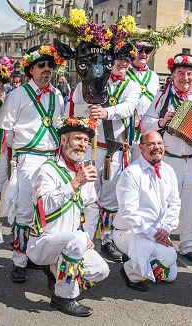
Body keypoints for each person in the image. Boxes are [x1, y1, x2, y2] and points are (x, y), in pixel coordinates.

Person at [0, 45, 66, 282]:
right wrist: (10, 164)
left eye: (50, 65)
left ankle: (37, 254)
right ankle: (19, 261)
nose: (47, 69)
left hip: (52, 159)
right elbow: (5, 131)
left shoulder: (57, 95)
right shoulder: (17, 95)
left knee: (47, 209)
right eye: (42, 65)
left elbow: (59, 125)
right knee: (24, 210)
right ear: (31, 68)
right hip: (28, 158)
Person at [27, 116, 109, 317]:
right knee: (76, 239)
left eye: (85, 141)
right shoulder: (48, 170)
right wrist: (74, 184)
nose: (82, 145)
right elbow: (43, 207)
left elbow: (91, 206)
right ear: (63, 140)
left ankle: (55, 270)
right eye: (77, 139)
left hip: (72, 242)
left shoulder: (84, 171)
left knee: (101, 270)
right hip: (44, 241)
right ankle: (63, 297)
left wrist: (88, 235)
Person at [143, 53, 192, 263]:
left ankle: (188, 245)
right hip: (170, 159)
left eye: (189, 74)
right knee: (165, 204)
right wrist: (161, 122)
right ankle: (160, 243)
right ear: (173, 75)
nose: (185, 78)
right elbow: (145, 123)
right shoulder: (162, 96)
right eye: (180, 73)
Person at [70, 42, 141, 263]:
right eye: (117, 59)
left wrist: (106, 111)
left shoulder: (131, 85)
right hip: (90, 147)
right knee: (88, 196)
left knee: (111, 198)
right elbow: (75, 101)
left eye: (126, 60)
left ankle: (108, 239)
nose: (122, 63)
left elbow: (129, 108)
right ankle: (84, 238)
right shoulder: (93, 77)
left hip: (114, 148)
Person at [113, 130, 180, 291]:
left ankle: (135, 259)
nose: (156, 147)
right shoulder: (131, 173)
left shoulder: (168, 170)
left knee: (171, 276)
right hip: (129, 232)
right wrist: (153, 234)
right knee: (169, 256)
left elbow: (175, 203)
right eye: (150, 144)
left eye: (159, 143)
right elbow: (129, 213)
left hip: (156, 233)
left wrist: (166, 229)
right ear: (141, 147)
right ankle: (131, 272)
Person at [126, 40, 160, 162]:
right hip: (124, 132)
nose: (143, 54)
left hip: (145, 133)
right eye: (140, 50)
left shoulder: (154, 77)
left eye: (148, 51)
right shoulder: (123, 72)